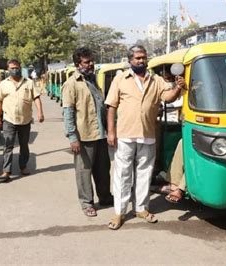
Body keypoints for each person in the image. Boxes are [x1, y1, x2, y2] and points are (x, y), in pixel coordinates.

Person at [105, 45, 185, 230]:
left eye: (143, 57)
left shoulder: (156, 80)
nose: (141, 61)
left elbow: (169, 97)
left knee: (144, 173)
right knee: (123, 174)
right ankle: (119, 212)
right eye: (137, 58)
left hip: (147, 134)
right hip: (125, 134)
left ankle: (141, 209)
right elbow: (111, 106)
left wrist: (178, 88)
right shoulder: (120, 79)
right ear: (130, 60)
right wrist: (111, 131)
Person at [62, 47, 113, 217]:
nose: (90, 64)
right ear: (78, 64)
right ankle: (87, 203)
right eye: (86, 62)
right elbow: (68, 112)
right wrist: (72, 137)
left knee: (103, 169)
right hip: (84, 136)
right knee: (84, 172)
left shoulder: (92, 81)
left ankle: (105, 197)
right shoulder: (71, 84)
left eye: (92, 61)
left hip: (100, 134)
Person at [0, 59, 45, 182]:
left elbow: (36, 98)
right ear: (8, 70)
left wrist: (40, 112)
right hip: (9, 120)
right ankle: (6, 171)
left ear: (20, 68)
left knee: (24, 145)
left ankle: (23, 167)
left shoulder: (29, 83)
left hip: (25, 120)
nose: (14, 70)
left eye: (16, 67)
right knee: (8, 145)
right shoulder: (3, 84)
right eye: (12, 68)